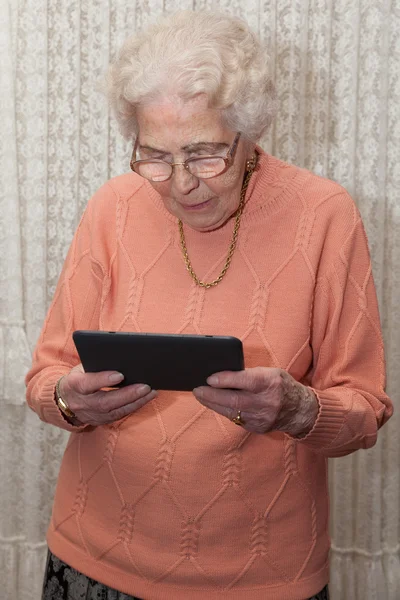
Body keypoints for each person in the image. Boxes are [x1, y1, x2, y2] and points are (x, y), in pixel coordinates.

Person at [26, 10, 393, 600]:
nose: (179, 183)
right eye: (154, 155)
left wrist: (300, 410)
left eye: (204, 154)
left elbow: (365, 409)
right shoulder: (112, 206)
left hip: (261, 579)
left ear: (249, 135)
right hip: (92, 556)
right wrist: (69, 400)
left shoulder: (324, 215)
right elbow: (44, 376)